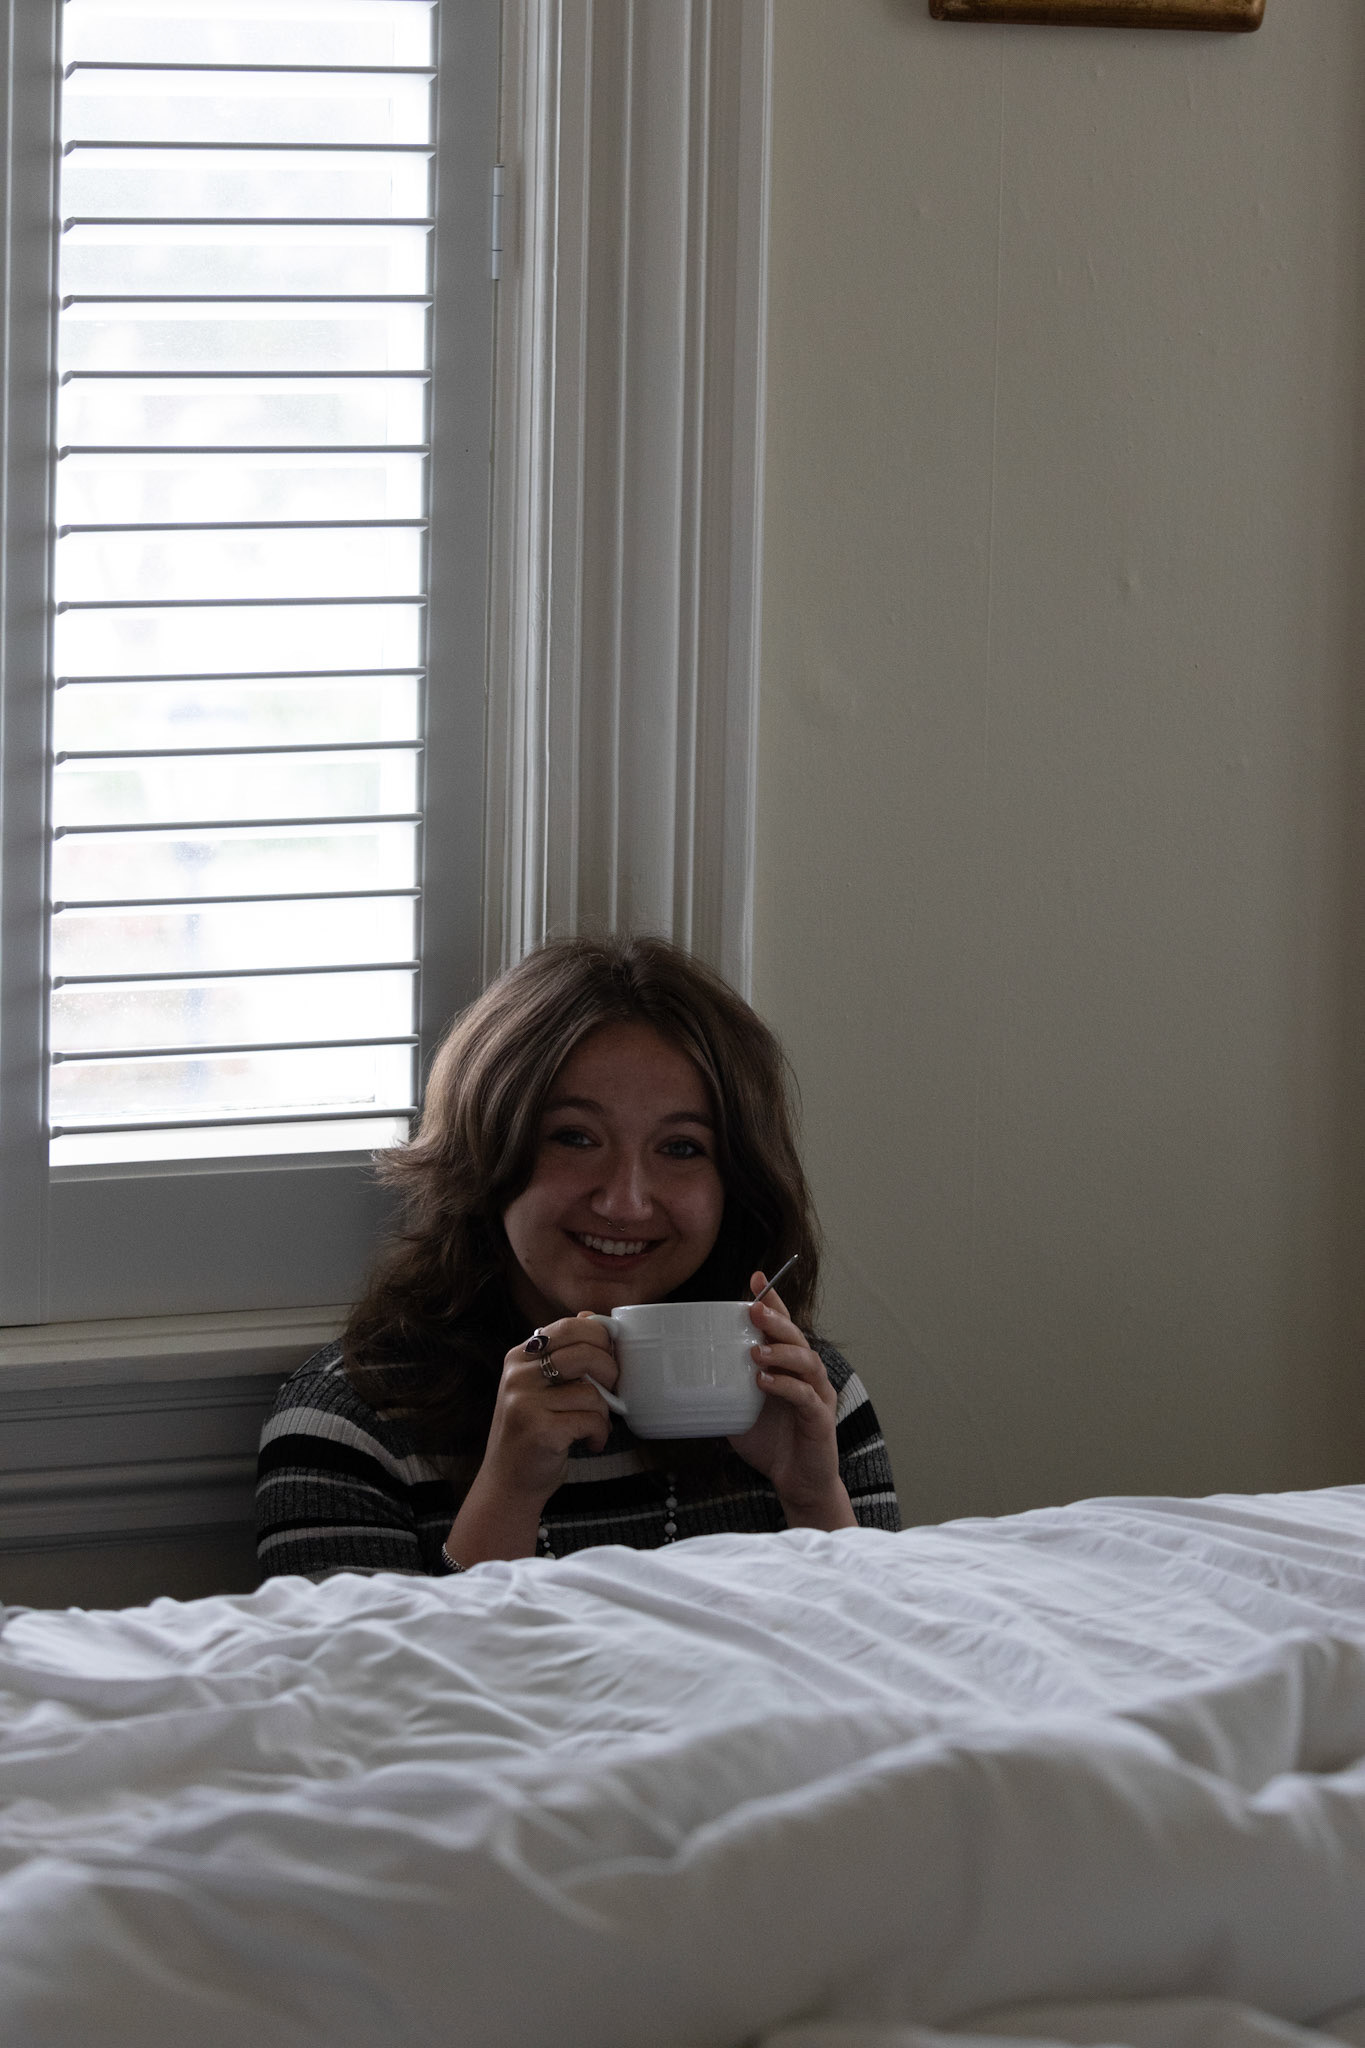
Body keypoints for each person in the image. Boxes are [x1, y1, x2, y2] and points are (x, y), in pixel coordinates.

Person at [256, 934, 900, 1579]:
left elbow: (893, 1640)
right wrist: (508, 1493)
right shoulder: (349, 1426)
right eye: (574, 1138)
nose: (625, 1203)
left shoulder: (807, 1400)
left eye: (680, 1148)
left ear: (738, 1184)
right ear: (486, 1153)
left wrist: (812, 1496)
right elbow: (373, 1652)